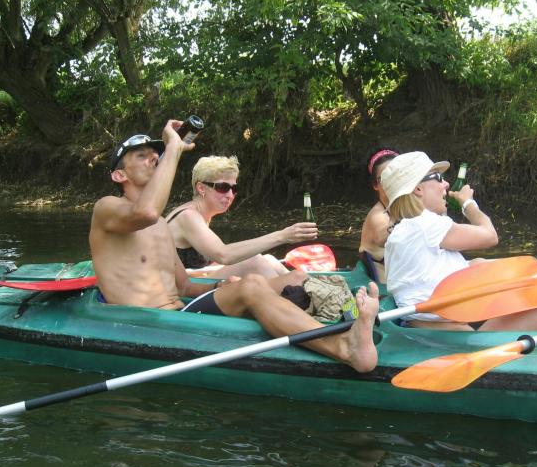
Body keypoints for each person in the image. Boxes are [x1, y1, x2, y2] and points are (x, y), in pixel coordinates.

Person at [89, 121, 379, 372]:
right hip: (146, 323)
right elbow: (146, 212)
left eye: (156, 155)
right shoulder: (107, 207)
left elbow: (184, 286)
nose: (154, 158)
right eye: (142, 156)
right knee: (252, 285)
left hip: (180, 312)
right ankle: (344, 347)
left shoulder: (161, 225)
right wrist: (173, 149)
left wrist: (219, 286)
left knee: (288, 278)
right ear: (119, 175)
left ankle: (350, 317)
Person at [380, 151, 537, 331]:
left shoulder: (397, 236)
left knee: (476, 264)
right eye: (437, 177)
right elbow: (490, 235)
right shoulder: (424, 224)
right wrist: (468, 204)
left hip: (438, 329)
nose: (445, 184)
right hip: (461, 341)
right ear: (418, 189)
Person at [165, 155, 318, 278]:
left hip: (195, 280)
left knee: (269, 260)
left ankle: (308, 291)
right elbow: (224, 255)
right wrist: (283, 236)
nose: (230, 195)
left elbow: (204, 265)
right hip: (181, 292)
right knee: (254, 262)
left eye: (234, 188)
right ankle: (296, 299)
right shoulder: (188, 216)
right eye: (222, 187)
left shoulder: (204, 214)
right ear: (201, 188)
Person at [358, 147, 399, 282]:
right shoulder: (378, 215)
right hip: (382, 282)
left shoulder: (410, 207)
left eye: (397, 174)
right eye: (385, 177)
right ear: (376, 185)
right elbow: (382, 237)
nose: (392, 181)